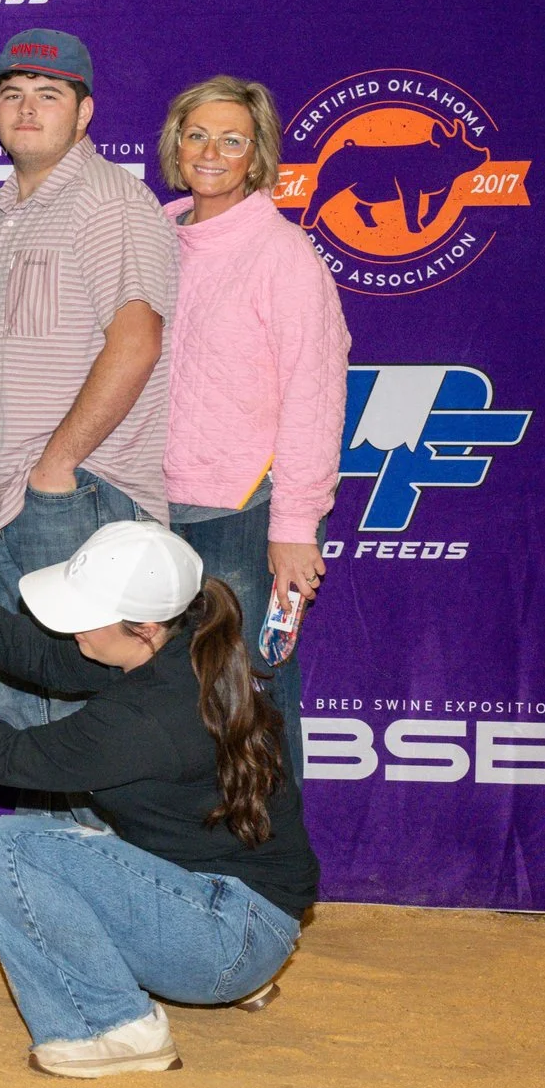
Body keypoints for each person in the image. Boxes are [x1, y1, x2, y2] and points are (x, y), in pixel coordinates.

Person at [0, 522, 318, 1077]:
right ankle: (214, 962)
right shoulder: (186, 639)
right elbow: (50, 662)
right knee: (82, 842)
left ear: (142, 627)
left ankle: (112, 1026)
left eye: (83, 614)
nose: (70, 626)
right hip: (240, 914)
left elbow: (7, 757)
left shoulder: (148, 718)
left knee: (9, 846)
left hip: (225, 936)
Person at [0, 29, 178, 737]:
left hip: (72, 495)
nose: (25, 108)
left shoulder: (108, 199)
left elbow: (137, 339)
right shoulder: (3, 212)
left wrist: (57, 466)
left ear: (84, 113)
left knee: (87, 715)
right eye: (12, 93)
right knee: (20, 709)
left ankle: (104, 851)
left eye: (47, 95)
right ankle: (50, 851)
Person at [157, 78, 350, 774]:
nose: (211, 151)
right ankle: (190, 870)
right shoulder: (156, 240)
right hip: (151, 507)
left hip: (244, 512)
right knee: (174, 707)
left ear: (256, 154)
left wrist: (295, 526)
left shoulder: (283, 255)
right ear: (176, 144)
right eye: (197, 134)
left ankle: (272, 872)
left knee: (251, 704)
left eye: (232, 139)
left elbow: (316, 393)